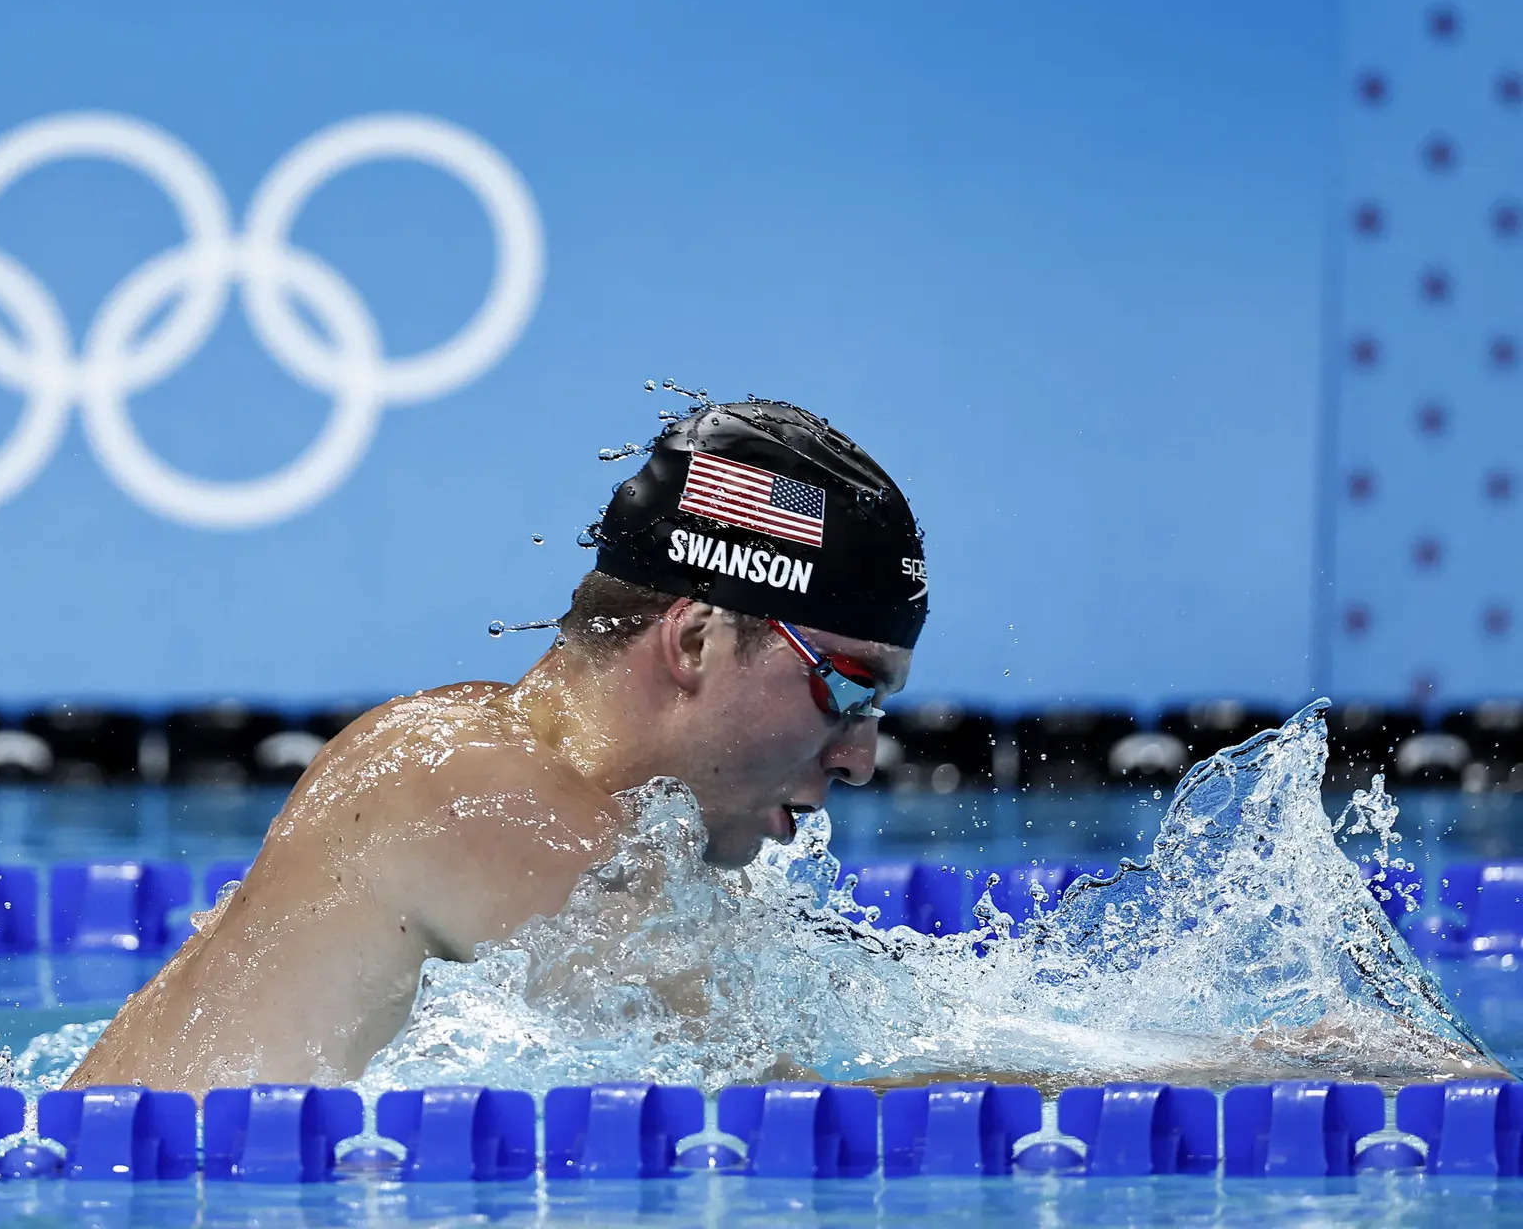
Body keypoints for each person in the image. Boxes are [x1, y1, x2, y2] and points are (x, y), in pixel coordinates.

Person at [67, 400, 929, 1094]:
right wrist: (1059, 1086)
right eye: (848, 689)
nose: (858, 756)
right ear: (696, 641)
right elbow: (795, 1114)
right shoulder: (473, 791)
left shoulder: (471, 750)